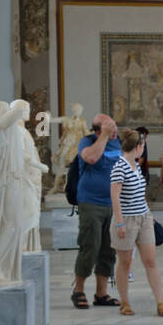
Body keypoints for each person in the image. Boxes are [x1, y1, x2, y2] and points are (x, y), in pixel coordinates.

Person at [110, 129, 163, 318]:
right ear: (138, 147)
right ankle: (125, 303)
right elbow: (115, 196)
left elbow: (139, 194)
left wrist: (148, 213)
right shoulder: (120, 166)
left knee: (150, 260)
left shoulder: (135, 165)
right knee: (125, 262)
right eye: (143, 146)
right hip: (126, 220)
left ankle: (160, 302)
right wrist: (119, 223)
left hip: (143, 217)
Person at [71, 113, 122, 309]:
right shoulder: (88, 142)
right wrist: (103, 137)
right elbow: (91, 158)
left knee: (108, 250)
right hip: (91, 203)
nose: (114, 130)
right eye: (110, 127)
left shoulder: (118, 144)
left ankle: (101, 294)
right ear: (98, 129)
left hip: (113, 204)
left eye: (114, 126)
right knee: (89, 247)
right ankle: (78, 291)